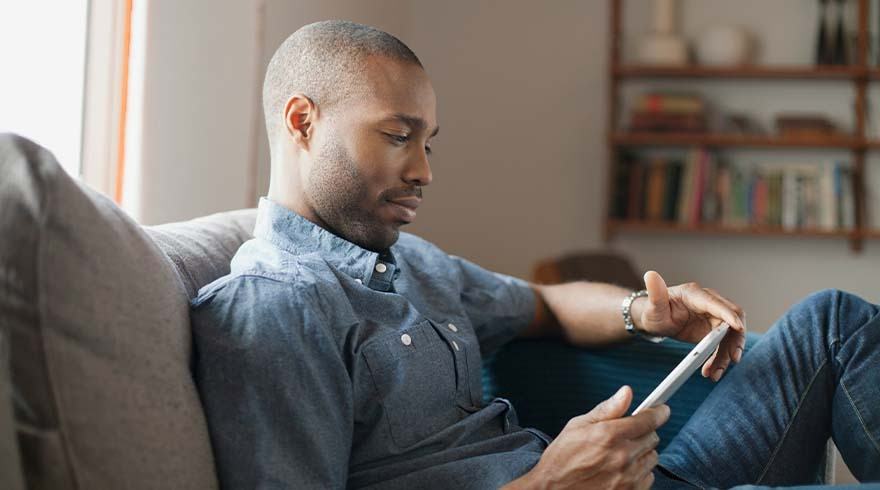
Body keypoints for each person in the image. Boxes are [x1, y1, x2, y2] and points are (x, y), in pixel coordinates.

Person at [190, 21, 880, 489]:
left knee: (832, 322)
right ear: (302, 121)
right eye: (398, 136)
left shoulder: (412, 262)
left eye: (427, 143)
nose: (424, 171)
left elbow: (544, 304)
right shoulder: (272, 307)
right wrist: (547, 482)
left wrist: (645, 313)